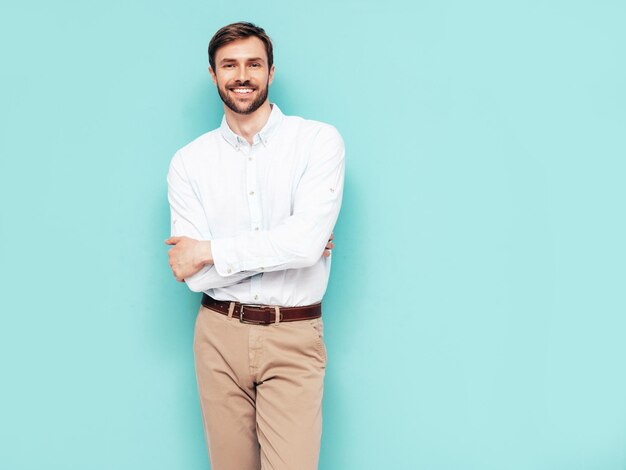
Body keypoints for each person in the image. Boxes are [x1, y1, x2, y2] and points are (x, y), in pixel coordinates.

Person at [164, 22, 345, 470]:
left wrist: (208, 250)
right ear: (213, 74)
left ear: (270, 71)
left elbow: (302, 247)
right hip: (218, 334)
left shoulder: (318, 142)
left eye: (253, 64)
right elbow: (193, 276)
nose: (241, 75)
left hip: (294, 334)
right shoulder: (189, 163)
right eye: (229, 65)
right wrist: (285, 246)